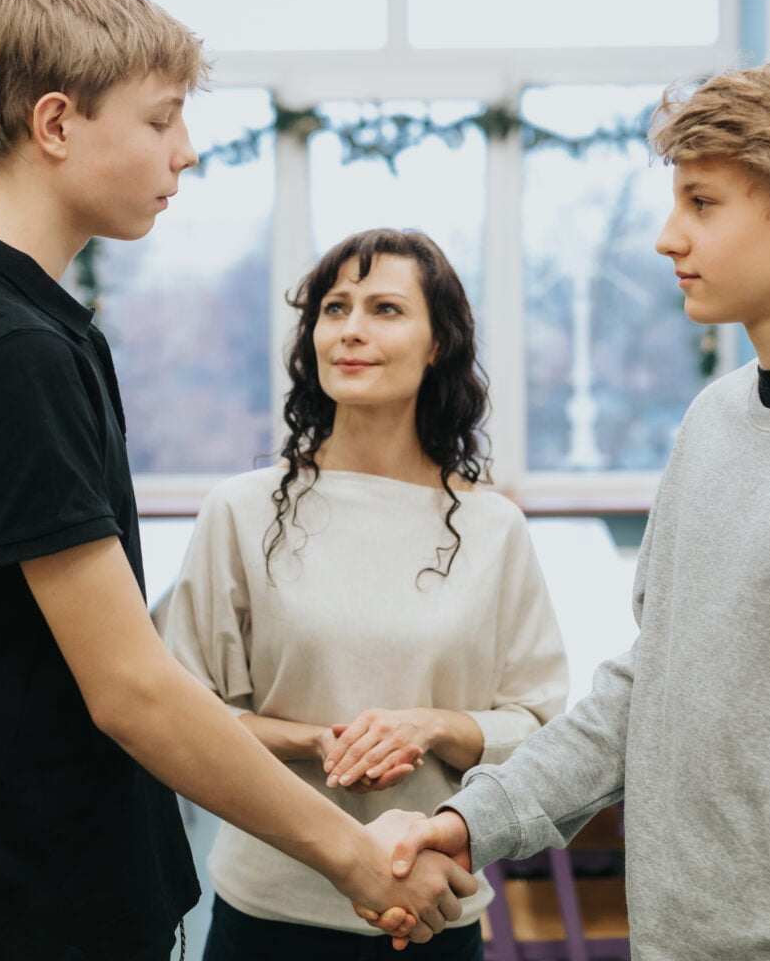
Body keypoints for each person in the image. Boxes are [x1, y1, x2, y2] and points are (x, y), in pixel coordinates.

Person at [0, 0, 474, 961]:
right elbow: (131, 688)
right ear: (55, 123)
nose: (184, 150)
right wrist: (352, 854)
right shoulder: (2, 347)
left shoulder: (4, 325)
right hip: (36, 913)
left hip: (52, 887)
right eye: (160, 120)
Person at [380, 59, 770, 958]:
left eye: (703, 203)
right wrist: (470, 823)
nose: (666, 237)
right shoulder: (714, 421)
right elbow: (649, 686)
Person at [162, 228, 569, 960]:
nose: (351, 330)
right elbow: (184, 717)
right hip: (268, 913)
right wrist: (315, 741)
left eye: (385, 309)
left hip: (435, 908)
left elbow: (540, 725)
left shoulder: (494, 527)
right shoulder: (240, 512)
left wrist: (431, 727)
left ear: (438, 343)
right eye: (335, 308)